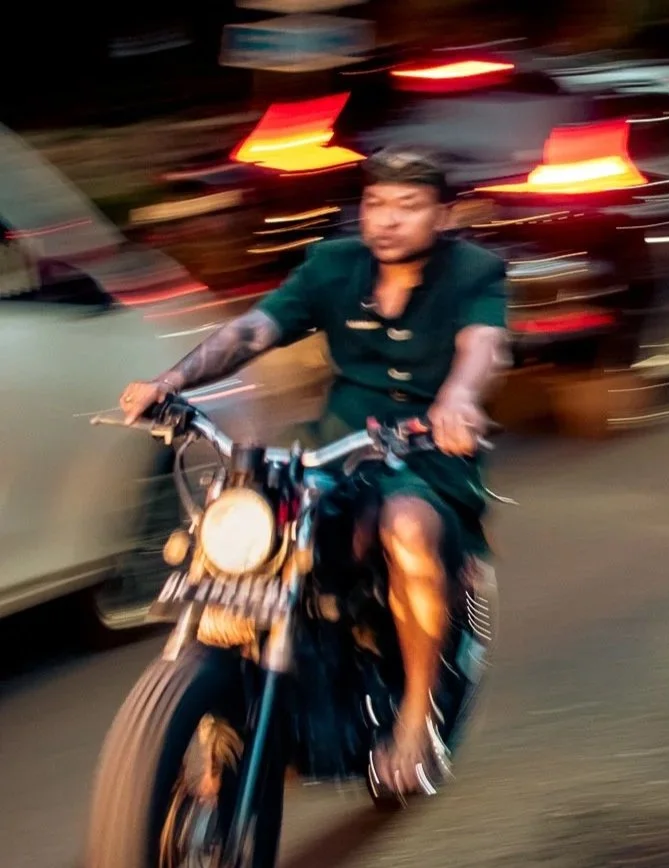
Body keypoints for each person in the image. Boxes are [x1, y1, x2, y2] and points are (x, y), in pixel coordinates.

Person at [118, 146, 509, 797]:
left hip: (425, 454)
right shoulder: (335, 266)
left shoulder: (472, 272)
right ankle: (232, 692)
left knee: (408, 527)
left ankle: (414, 720)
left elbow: (482, 348)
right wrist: (172, 382)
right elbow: (252, 332)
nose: (387, 220)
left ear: (442, 214)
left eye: (408, 207)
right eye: (376, 204)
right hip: (336, 447)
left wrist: (460, 398)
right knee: (245, 516)